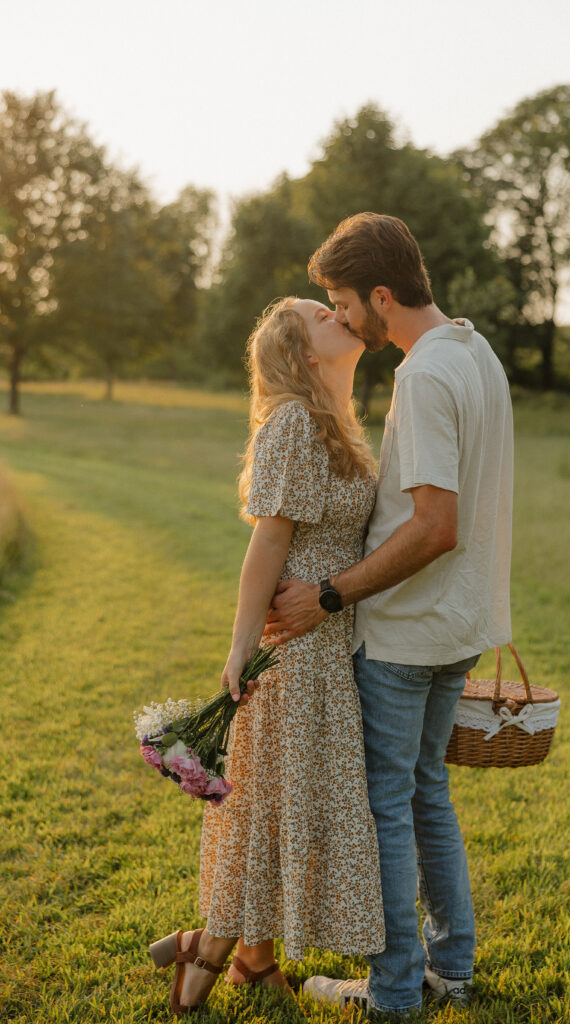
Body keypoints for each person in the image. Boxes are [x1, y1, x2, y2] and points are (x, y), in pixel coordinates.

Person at [265, 213, 514, 1015]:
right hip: (460, 625)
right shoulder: (476, 352)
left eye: (342, 301)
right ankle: (453, 968)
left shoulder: (426, 375)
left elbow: (435, 526)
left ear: (380, 294)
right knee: (424, 793)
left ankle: (396, 989)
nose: (338, 317)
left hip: (408, 634)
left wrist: (330, 593)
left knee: (387, 811)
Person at [148, 296, 385, 1016]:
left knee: (282, 803)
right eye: (321, 313)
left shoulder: (333, 424)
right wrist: (239, 648)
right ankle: (217, 952)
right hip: (295, 654)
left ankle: (242, 957)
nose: (337, 312)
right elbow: (269, 544)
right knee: (271, 807)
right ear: (304, 353)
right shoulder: (292, 423)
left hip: (325, 645)